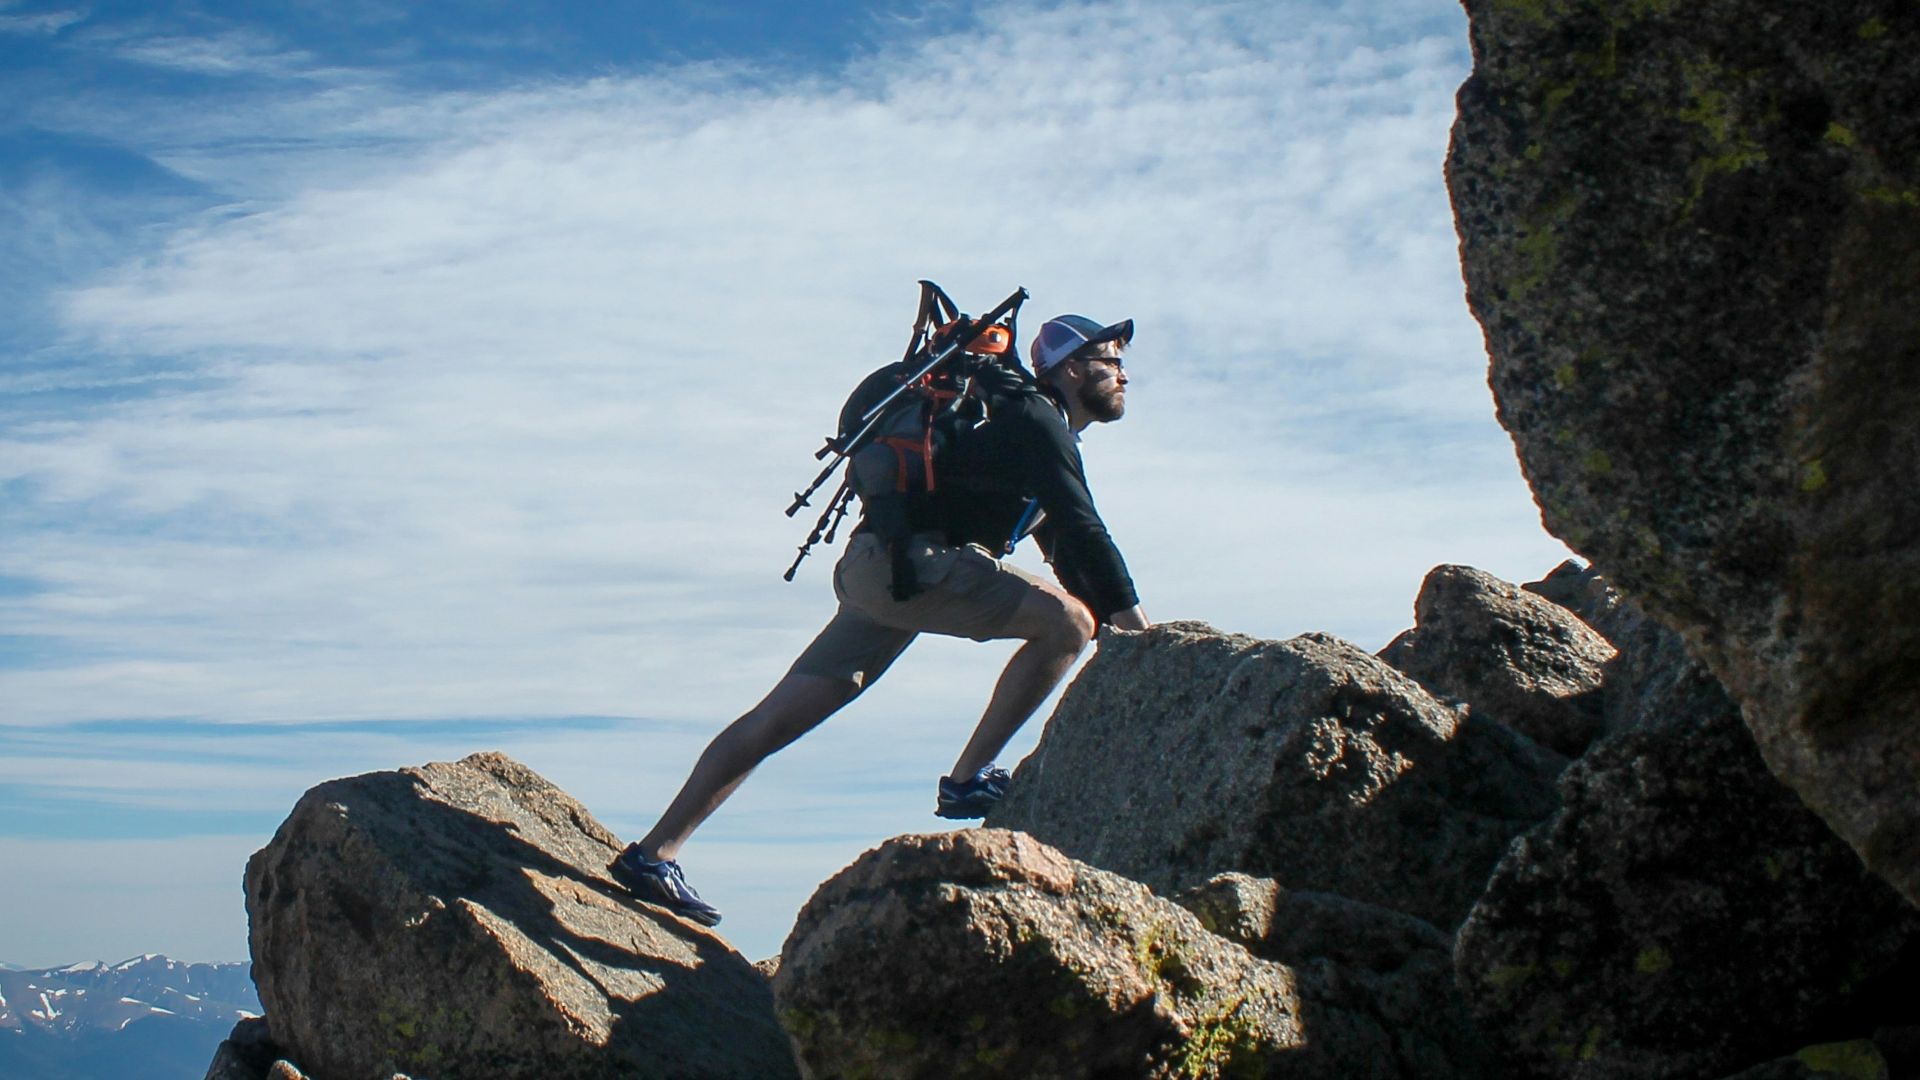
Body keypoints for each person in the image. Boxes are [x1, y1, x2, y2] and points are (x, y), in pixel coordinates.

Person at [608, 312, 1151, 926]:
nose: (1124, 375)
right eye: (1112, 362)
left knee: (776, 719)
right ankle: (968, 780)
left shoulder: (1024, 424)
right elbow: (1085, 529)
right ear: (1072, 368)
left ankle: (655, 853)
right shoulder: (1035, 419)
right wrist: (1145, 640)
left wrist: (1126, 631)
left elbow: (1069, 549)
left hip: (881, 569)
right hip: (909, 567)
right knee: (1067, 624)